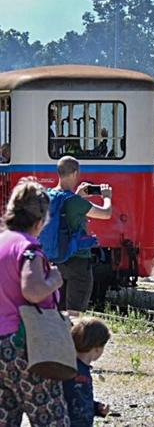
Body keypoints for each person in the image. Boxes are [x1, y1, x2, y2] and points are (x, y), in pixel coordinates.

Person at [0, 179, 70, 426]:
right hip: (25, 344)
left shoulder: (2, 242)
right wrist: (54, 280)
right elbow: (33, 291)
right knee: (51, 418)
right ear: (40, 221)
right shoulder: (28, 248)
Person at [51, 156, 113, 315]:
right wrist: (107, 197)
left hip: (56, 260)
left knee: (59, 310)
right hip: (78, 260)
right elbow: (106, 213)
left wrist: (77, 194)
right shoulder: (76, 202)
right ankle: (72, 331)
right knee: (73, 313)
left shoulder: (49, 196)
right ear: (74, 173)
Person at [63, 318, 111, 427]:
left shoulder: (74, 366)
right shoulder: (73, 369)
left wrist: (96, 407)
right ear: (97, 348)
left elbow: (80, 398)